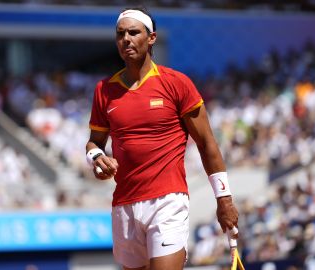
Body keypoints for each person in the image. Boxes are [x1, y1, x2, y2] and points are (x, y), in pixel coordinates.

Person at [85, 7, 239, 270]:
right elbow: (94, 142)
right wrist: (97, 158)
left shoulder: (177, 84)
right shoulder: (104, 90)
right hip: (124, 205)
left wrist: (224, 200)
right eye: (121, 34)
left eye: (134, 32)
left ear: (152, 38)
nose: (126, 39)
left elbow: (206, 143)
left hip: (167, 202)